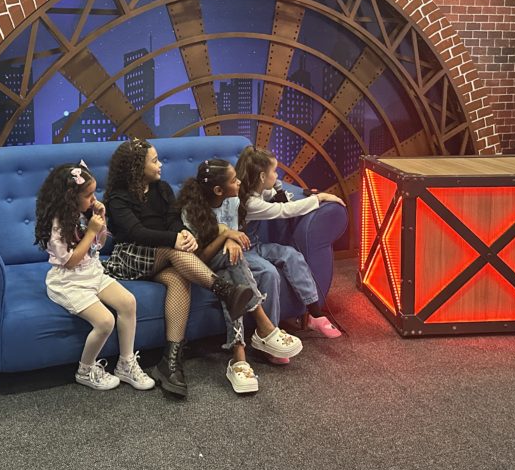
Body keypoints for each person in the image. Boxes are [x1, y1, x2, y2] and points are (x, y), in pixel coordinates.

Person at [102, 139, 256, 398]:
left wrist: (184, 234)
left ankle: (170, 362)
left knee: (179, 279)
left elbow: (173, 221)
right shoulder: (118, 197)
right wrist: (175, 240)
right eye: (154, 161)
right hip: (130, 256)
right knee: (175, 251)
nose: (160, 164)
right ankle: (226, 291)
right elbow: (136, 232)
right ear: (137, 167)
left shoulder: (162, 189)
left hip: (162, 257)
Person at [176, 160, 303, 394]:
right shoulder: (190, 211)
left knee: (232, 279)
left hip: (226, 264)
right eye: (234, 180)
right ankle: (264, 327)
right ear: (218, 190)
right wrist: (225, 235)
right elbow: (199, 258)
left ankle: (239, 356)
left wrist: (230, 238)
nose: (239, 182)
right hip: (200, 266)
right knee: (231, 263)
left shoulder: (233, 200)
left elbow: (234, 237)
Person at [34, 162, 155, 391]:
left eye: (94, 193)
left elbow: (98, 244)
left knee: (128, 302)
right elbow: (71, 261)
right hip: (68, 282)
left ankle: (126, 363)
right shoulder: (56, 226)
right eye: (89, 195)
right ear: (71, 198)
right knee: (105, 321)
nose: (93, 199)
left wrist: (101, 220)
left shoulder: (83, 215)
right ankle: (85, 370)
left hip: (92, 272)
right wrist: (90, 231)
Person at [235, 146, 346, 338]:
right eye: (274, 171)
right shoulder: (250, 203)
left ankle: (315, 314)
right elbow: (284, 210)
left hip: (255, 245)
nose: (277, 175)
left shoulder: (258, 191)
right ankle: (270, 332)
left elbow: (280, 195)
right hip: (243, 252)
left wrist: (296, 192)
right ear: (262, 176)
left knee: (291, 255)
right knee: (269, 273)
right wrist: (320, 197)